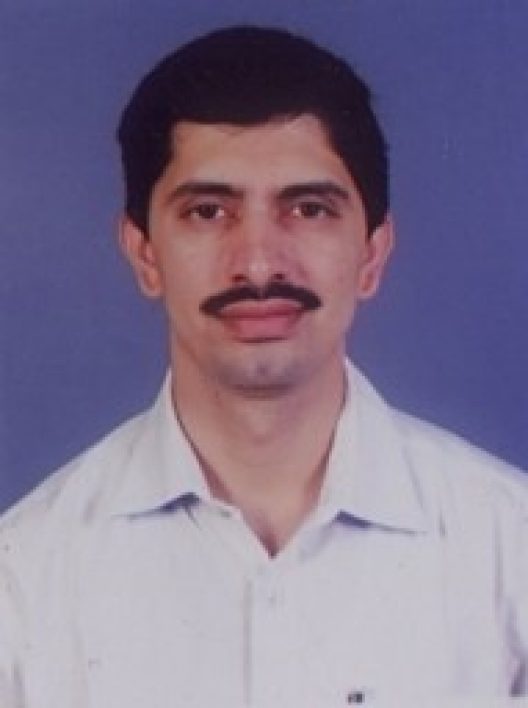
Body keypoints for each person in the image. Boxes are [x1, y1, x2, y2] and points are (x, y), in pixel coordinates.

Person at [0, 25, 527, 707]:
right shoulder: (23, 580)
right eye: (207, 211)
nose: (256, 264)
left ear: (372, 255)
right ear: (144, 254)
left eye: (308, 209)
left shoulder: (510, 553)